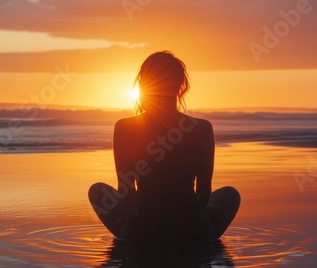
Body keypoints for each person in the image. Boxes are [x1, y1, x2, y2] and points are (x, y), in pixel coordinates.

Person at [89, 51, 240, 243]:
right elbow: (202, 196)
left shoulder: (124, 127)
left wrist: (142, 217)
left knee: (97, 191)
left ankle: (128, 234)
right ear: (180, 85)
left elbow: (126, 192)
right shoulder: (202, 128)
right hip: (192, 231)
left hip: (141, 230)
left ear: (144, 85)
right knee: (230, 194)